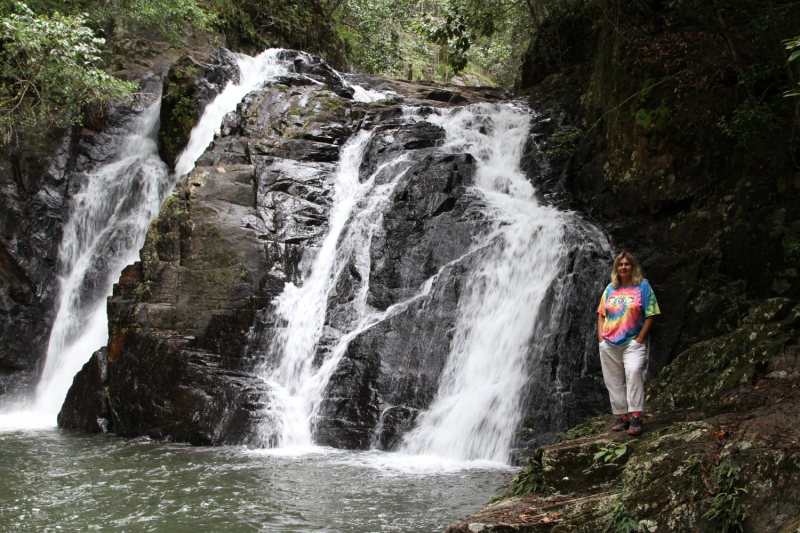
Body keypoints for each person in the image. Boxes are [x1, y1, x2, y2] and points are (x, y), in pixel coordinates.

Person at [597, 251, 660, 436]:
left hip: (633, 342)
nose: (623, 267)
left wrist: (640, 338)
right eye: (620, 264)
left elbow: (652, 313)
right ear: (616, 268)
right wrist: (601, 338)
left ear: (633, 266)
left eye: (627, 264)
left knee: (633, 374)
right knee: (613, 381)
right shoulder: (610, 289)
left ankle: (636, 416)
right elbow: (601, 314)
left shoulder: (643, 286)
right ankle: (621, 416)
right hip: (609, 343)